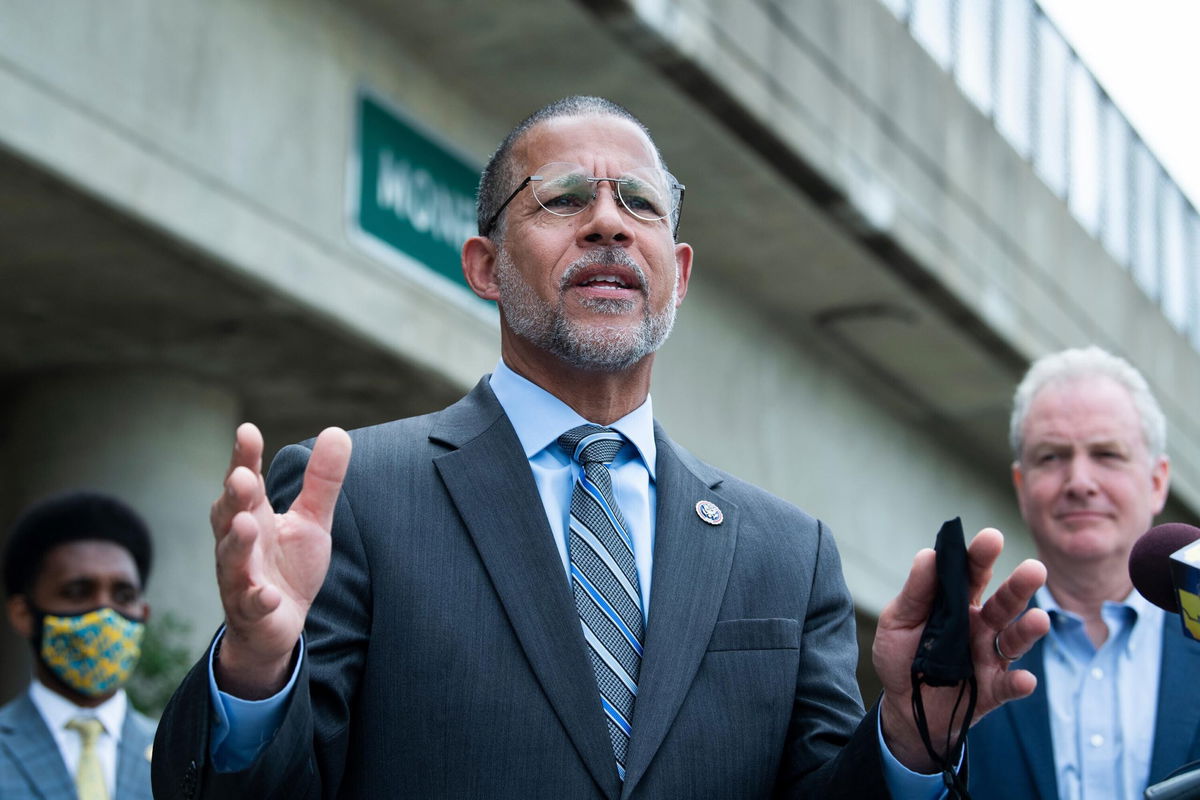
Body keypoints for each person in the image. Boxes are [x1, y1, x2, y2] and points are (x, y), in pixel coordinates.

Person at [152, 95, 1048, 799]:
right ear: (484, 265)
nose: (610, 224)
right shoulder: (359, 494)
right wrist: (259, 668)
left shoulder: (787, 553)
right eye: (565, 199)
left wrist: (906, 735)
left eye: (641, 204)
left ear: (679, 272)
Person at [969, 346, 1200, 799]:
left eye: (1107, 454)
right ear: (1022, 486)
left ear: (1157, 482)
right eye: (1052, 457)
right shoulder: (967, 655)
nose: (1079, 481)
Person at [0, 490, 156, 800]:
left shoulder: (182, 751)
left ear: (143, 614)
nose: (104, 612)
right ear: (23, 614)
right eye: (77, 592)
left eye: (123, 596)